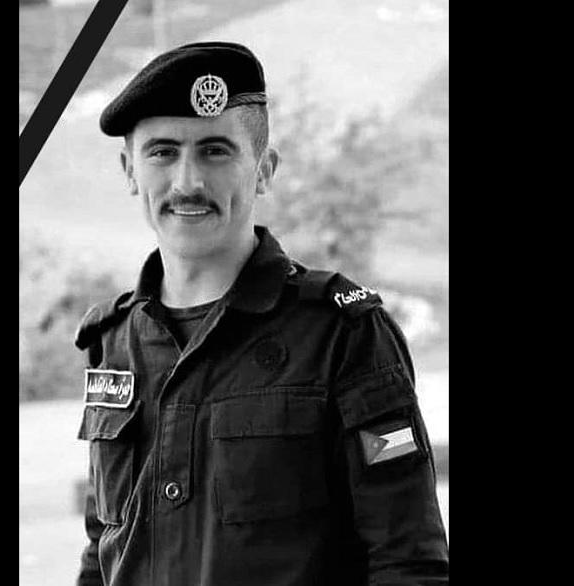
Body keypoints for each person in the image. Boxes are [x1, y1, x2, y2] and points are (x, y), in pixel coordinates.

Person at [74, 41, 449, 586]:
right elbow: (103, 548)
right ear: (130, 170)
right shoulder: (112, 341)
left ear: (264, 170)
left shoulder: (342, 334)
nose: (187, 182)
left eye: (215, 151)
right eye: (162, 152)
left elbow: (409, 562)